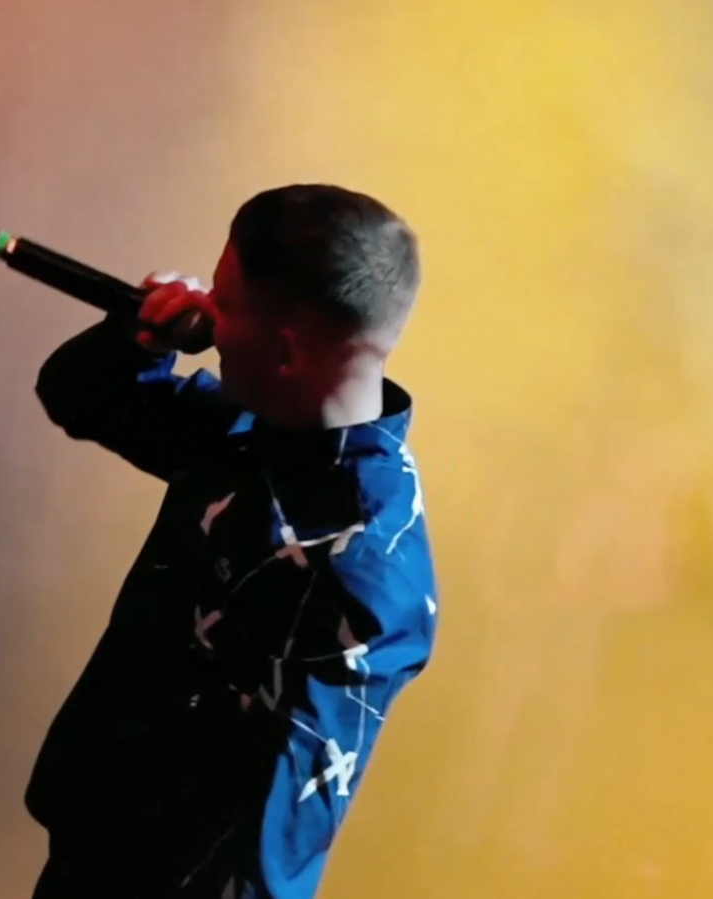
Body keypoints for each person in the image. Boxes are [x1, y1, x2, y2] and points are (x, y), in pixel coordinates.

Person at [26, 184, 439, 898]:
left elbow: (279, 830)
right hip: (96, 844)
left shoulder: (365, 564)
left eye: (222, 298)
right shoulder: (253, 425)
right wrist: (139, 339)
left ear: (284, 351)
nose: (206, 318)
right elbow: (76, 396)